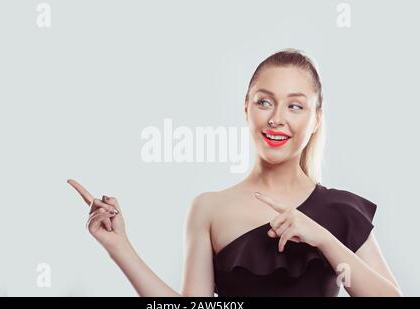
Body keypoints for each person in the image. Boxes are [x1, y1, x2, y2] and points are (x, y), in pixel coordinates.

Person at [68, 48, 401, 296]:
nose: (277, 119)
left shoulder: (342, 211)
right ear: (246, 108)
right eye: (264, 102)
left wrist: (323, 239)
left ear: (316, 119)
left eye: (295, 106)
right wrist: (119, 247)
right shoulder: (209, 209)